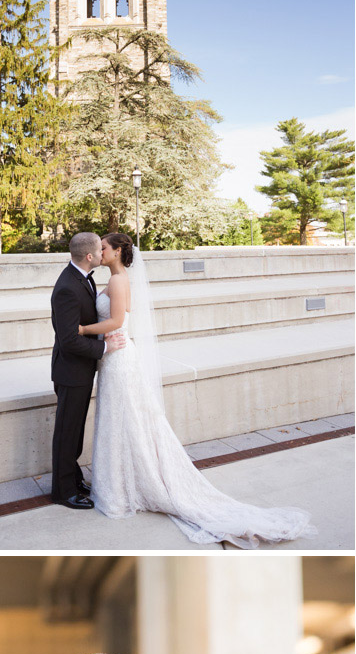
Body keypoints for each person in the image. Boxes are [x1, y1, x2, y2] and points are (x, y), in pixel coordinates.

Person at [77, 232, 316, 546]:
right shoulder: (112, 279)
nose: (100, 250)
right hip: (112, 358)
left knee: (125, 420)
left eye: (105, 247)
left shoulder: (120, 281)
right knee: (119, 421)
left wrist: (81, 330)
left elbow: (117, 320)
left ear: (119, 251)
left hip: (120, 359)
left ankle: (124, 486)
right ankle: (120, 481)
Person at [49, 231, 126, 509]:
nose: (103, 253)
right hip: (71, 370)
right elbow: (69, 339)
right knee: (67, 433)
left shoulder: (81, 278)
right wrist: (105, 348)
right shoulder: (68, 286)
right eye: (100, 249)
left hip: (81, 369)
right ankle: (63, 491)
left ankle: (74, 478)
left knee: (75, 432)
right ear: (90, 256)